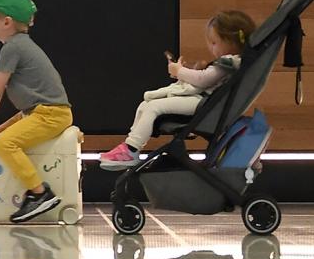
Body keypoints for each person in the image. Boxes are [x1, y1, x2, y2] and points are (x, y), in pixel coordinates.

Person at [0, 0, 74, 223]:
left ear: (6, 22)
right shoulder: (20, 45)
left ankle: (40, 193)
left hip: (49, 115)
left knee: (5, 143)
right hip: (41, 112)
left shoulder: (12, 48)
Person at [98, 10, 255, 169]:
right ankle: (130, 146)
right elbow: (207, 77)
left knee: (153, 106)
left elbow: (203, 79)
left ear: (232, 41)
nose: (212, 48)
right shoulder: (234, 63)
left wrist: (178, 71)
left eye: (215, 43)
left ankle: (131, 150)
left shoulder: (229, 62)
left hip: (203, 104)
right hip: (205, 103)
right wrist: (190, 70)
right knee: (146, 105)